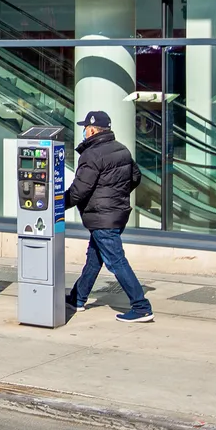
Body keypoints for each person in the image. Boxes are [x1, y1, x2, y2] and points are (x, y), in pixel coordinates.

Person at [66, 110, 153, 323]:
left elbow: (79, 190)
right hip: (116, 213)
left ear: (93, 129)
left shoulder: (92, 155)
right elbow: (135, 177)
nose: (84, 132)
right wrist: (116, 196)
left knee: (116, 260)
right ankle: (78, 298)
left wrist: (56, 205)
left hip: (102, 217)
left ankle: (141, 307)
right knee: (94, 258)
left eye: (85, 128)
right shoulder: (121, 149)